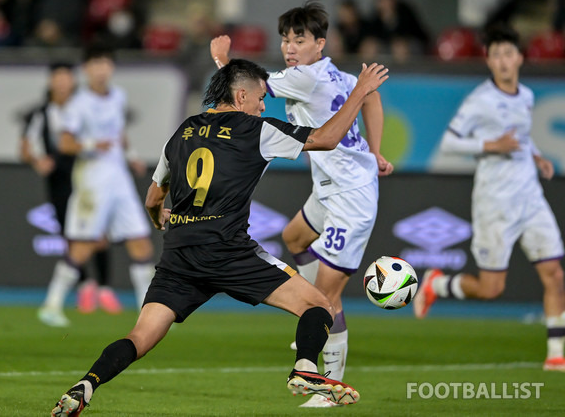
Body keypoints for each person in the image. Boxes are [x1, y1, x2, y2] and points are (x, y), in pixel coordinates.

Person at [50, 58, 389, 416]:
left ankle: (87, 383)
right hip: (229, 251)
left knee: (140, 337)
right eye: (260, 98)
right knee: (319, 305)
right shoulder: (256, 129)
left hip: (179, 254)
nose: (263, 106)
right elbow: (327, 138)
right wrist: (360, 91)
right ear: (241, 96)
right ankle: (305, 368)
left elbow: (153, 198)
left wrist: (158, 219)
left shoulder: (181, 131)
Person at [210, 0, 393, 407]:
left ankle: (331, 385)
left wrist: (222, 58)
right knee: (294, 236)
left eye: (299, 39)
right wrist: (376, 151)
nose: (289, 47)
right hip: (329, 188)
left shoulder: (304, 78)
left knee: (326, 300)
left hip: (350, 198)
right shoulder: (342, 75)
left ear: (320, 44)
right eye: (285, 39)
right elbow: (372, 99)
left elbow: (249, 89)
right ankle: (313, 322)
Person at [413, 24, 565, 372]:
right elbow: (451, 141)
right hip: (495, 204)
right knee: (491, 288)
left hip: (531, 198)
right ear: (489, 60)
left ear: (520, 58)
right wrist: (491, 146)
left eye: (508, 54)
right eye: (496, 55)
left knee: (554, 273)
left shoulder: (525, 96)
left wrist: (537, 155)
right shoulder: (480, 101)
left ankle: (556, 354)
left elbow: (522, 137)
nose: (503, 61)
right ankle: (439, 283)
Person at [38, 45, 155, 328]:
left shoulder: (118, 96)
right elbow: (65, 144)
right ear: (86, 69)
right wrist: (92, 144)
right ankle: (51, 304)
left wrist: (132, 157)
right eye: (95, 63)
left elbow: (119, 133)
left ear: (111, 68)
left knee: (140, 242)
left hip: (119, 179)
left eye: (105, 62)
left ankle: (148, 311)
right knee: (83, 246)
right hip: (92, 179)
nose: (101, 69)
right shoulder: (77, 104)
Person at [21, 62, 117, 322]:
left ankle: (104, 288)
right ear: (51, 82)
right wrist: (37, 161)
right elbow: (27, 146)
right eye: (58, 78)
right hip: (59, 183)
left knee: (99, 233)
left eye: (66, 78)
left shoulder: (83, 108)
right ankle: (85, 285)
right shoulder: (41, 113)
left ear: (72, 82)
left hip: (87, 177)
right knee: (71, 235)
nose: (62, 83)